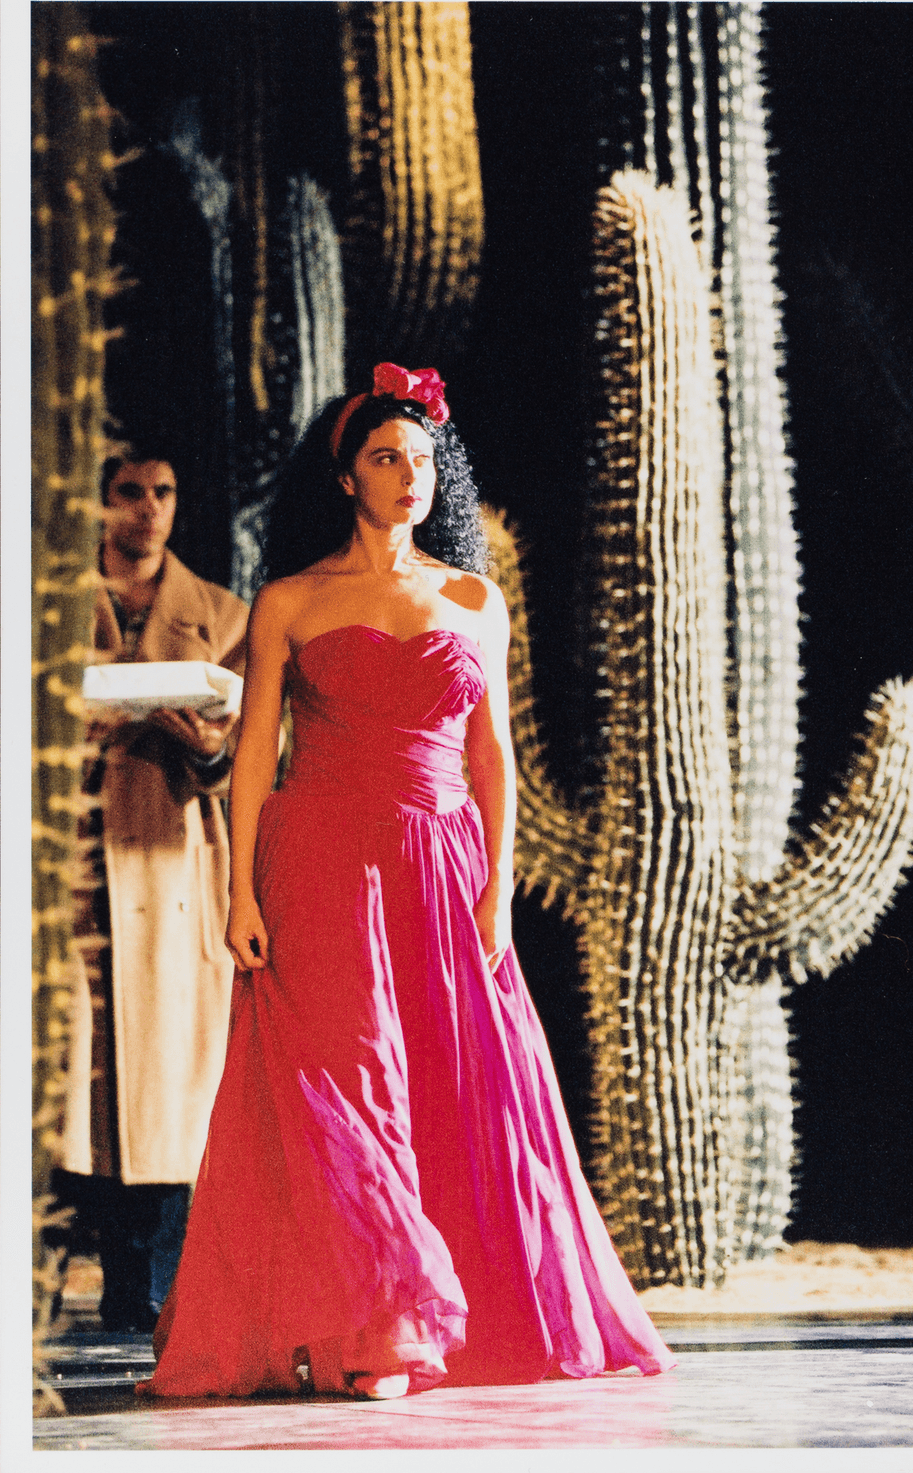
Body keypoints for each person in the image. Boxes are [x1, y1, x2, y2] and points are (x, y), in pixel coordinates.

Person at [141, 365, 674, 1399]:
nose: (408, 475)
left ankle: (426, 1319)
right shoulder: (291, 599)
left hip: (440, 862)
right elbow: (255, 756)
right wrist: (241, 892)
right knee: (343, 1086)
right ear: (346, 478)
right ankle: (384, 1334)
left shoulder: (475, 599)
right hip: (322, 859)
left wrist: (500, 887)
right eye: (386, 458)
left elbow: (494, 760)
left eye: (424, 460)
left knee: (450, 1080)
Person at [50, 455, 248, 1331]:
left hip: (170, 860)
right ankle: (55, 1278)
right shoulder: (46, 604)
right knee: (75, 1084)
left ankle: (148, 1290)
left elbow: (252, 748)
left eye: (165, 491)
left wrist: (202, 744)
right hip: (72, 866)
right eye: (130, 491)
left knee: (168, 1081)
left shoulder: (221, 615)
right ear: (96, 500)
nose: (149, 510)